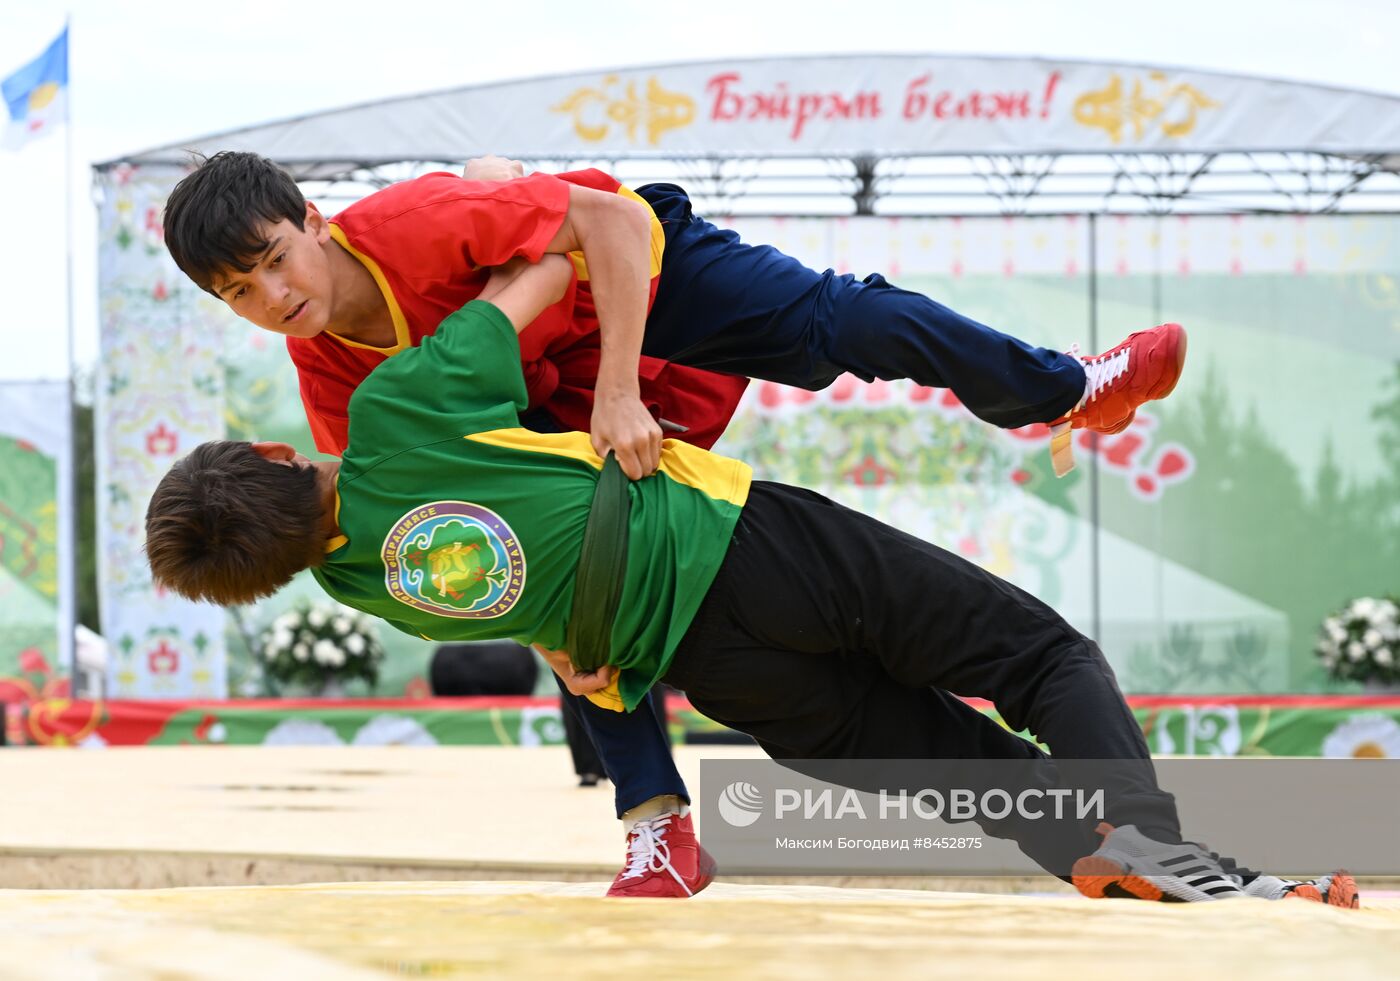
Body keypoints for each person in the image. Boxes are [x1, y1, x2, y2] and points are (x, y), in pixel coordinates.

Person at [144, 255, 1358, 908]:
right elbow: (548, 268)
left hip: (718, 678)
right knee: (1040, 660)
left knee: (972, 775)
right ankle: (1148, 842)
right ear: (270, 453)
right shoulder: (399, 411)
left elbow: (570, 656)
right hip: (750, 554)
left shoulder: (361, 586)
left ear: (264, 575)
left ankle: (1157, 874)